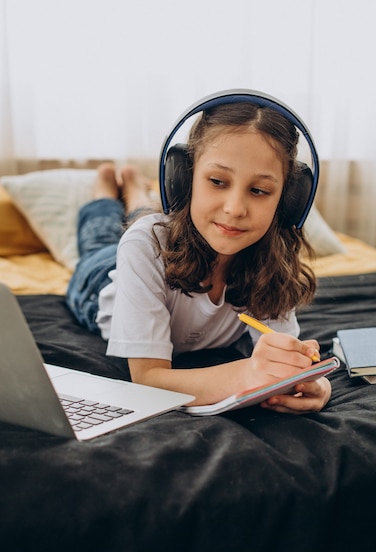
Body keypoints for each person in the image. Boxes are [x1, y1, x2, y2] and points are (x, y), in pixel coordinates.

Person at [66, 98, 332, 414]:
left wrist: (313, 382)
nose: (234, 208)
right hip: (104, 280)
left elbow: (284, 354)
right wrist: (248, 374)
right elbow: (147, 378)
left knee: (140, 218)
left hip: (165, 241)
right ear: (183, 180)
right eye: (217, 182)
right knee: (102, 240)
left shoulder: (273, 259)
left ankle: (138, 192)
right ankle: (105, 190)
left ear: (288, 203)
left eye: (259, 190)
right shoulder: (143, 244)